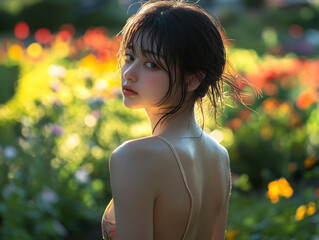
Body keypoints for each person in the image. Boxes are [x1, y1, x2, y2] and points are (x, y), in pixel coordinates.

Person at [101, 0, 258, 239]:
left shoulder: (133, 157)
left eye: (151, 64)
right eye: (130, 56)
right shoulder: (219, 156)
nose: (129, 74)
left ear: (192, 80)